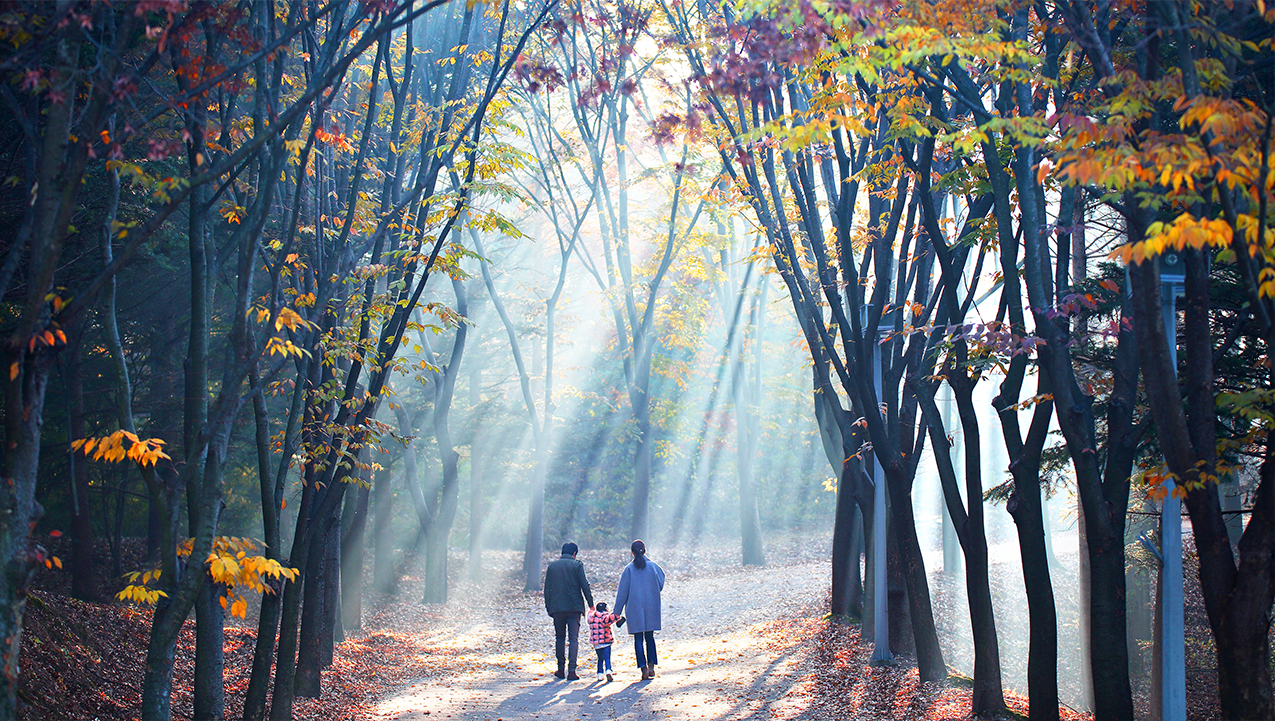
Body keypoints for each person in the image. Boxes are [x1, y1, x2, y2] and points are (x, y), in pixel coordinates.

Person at [612, 539, 665, 680]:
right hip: (651, 606)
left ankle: (643, 669)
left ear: (632, 552)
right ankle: (652, 666)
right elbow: (660, 584)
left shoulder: (628, 569)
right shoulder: (654, 567)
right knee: (650, 637)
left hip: (634, 608)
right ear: (645, 550)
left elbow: (622, 593)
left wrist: (616, 612)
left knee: (638, 639)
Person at [543, 541, 594, 680]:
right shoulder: (577, 565)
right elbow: (584, 585)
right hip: (574, 607)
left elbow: (547, 589)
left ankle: (560, 669)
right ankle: (572, 671)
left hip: (557, 608)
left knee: (559, 638)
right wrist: (591, 604)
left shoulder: (552, 566)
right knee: (573, 639)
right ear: (574, 554)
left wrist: (549, 607)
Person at [586, 601, 624, 682]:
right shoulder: (604, 617)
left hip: (596, 643)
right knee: (607, 657)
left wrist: (591, 609)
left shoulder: (591, 617)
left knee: (600, 658)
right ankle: (608, 670)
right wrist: (618, 616)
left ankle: (600, 674)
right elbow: (612, 618)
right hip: (606, 641)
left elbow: (589, 614)